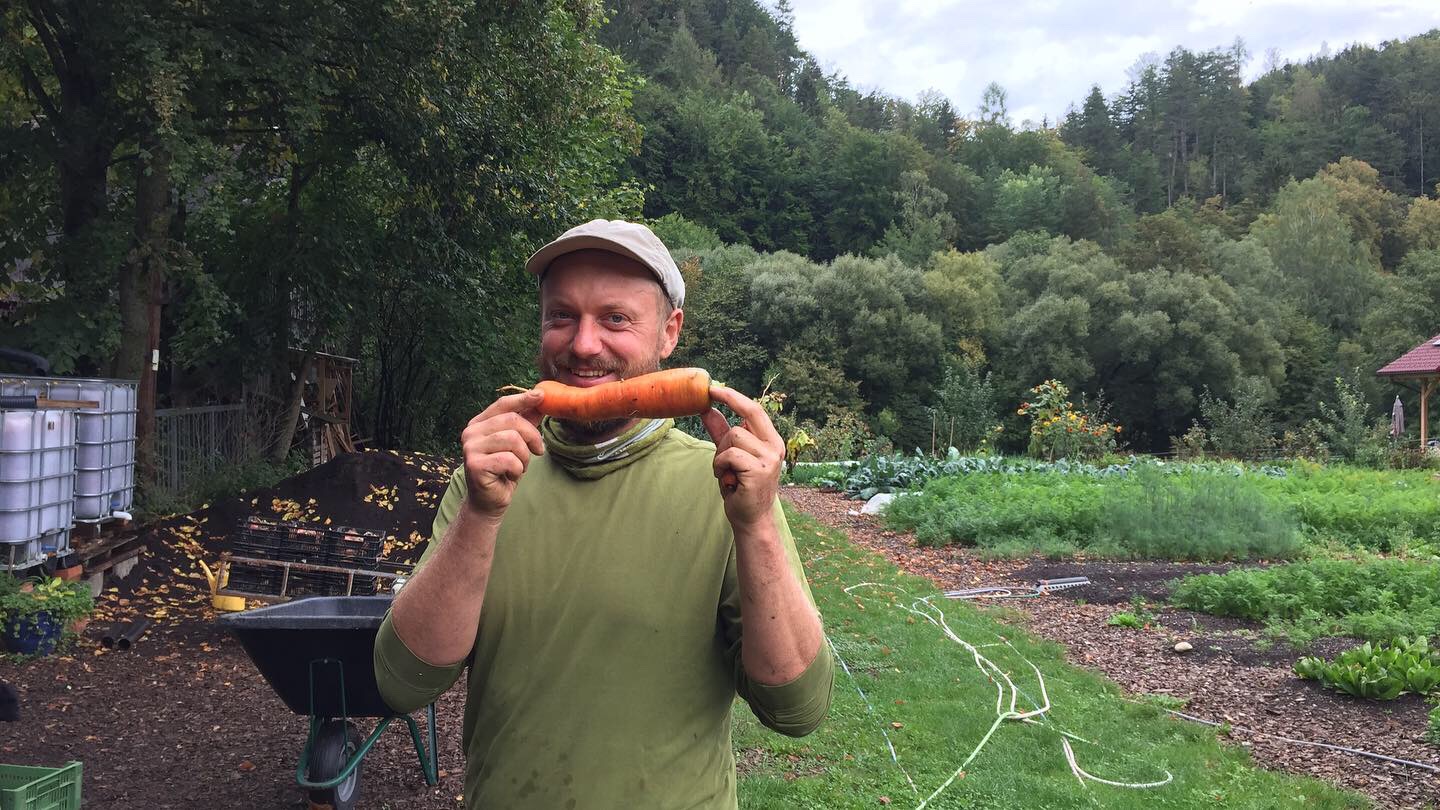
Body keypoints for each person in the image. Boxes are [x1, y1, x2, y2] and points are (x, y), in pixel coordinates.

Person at [374, 219, 833, 808]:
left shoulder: (725, 489)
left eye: (616, 319)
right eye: (562, 316)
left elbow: (797, 708)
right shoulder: (485, 484)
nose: (584, 345)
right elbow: (402, 682)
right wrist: (481, 516)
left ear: (669, 333)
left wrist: (757, 524)